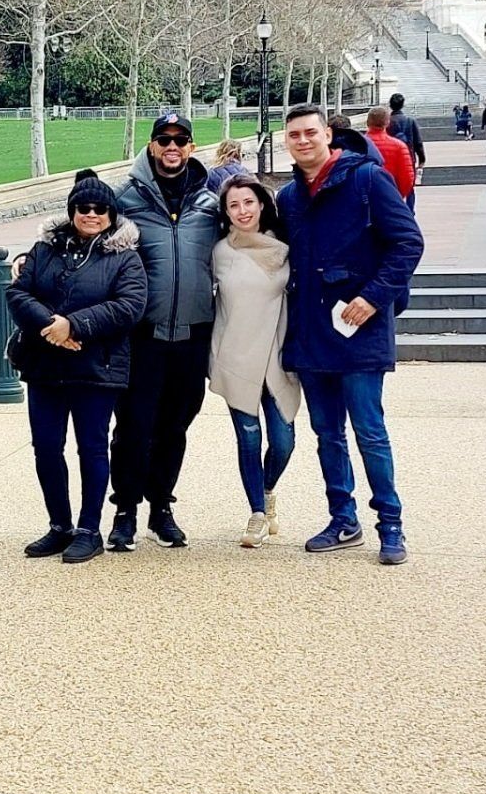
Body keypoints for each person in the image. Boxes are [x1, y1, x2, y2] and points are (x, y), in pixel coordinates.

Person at [277, 106, 425, 566]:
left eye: (310, 133)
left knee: (369, 430)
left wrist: (375, 296)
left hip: (358, 325)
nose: (303, 141)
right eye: (294, 135)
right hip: (311, 331)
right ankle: (343, 518)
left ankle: (391, 523)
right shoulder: (288, 197)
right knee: (327, 434)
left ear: (328, 135)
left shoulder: (366, 180)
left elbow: (408, 241)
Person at [8, 172, 148, 563]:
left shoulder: (125, 258)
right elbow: (18, 292)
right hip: (45, 365)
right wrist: (51, 327)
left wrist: (75, 325)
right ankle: (59, 525)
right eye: (83, 207)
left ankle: (89, 528)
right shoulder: (44, 250)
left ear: (111, 213)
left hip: (96, 367)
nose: (91, 214)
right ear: (71, 211)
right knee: (47, 447)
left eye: (99, 208)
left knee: (92, 448)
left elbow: (129, 306)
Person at [108, 110, 220, 551]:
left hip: (193, 333)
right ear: (152, 145)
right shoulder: (126, 200)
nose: (172, 147)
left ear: (191, 147)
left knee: (175, 425)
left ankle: (161, 507)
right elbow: (89, 232)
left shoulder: (210, 204)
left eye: (180, 140)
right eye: (164, 140)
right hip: (143, 334)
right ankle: (125, 510)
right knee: (134, 426)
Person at [209, 177, 301, 547]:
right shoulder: (219, 253)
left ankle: (267, 490)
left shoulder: (285, 248)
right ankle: (257, 514)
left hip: (277, 357)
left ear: (262, 204)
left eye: (248, 202)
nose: (242, 211)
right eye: (234, 205)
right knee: (248, 439)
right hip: (237, 355)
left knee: (284, 442)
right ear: (226, 212)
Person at [363, 106, 417, 202]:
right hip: (389, 197)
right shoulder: (399, 146)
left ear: (367, 122)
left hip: (364, 198)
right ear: (387, 123)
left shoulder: (356, 145)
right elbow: (407, 178)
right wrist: (396, 196)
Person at [385, 94, 426, 201]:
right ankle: (409, 212)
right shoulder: (410, 121)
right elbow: (418, 143)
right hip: (408, 158)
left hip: (390, 159)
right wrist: (422, 159)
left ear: (390, 105)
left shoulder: (386, 122)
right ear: (403, 105)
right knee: (409, 187)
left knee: (391, 187)